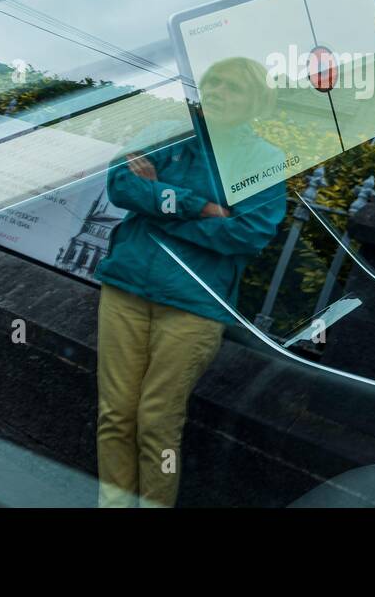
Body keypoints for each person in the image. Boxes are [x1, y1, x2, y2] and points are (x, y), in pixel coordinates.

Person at [94, 57, 286, 507]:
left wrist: (159, 206)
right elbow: (121, 184)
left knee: (159, 419)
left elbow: (248, 233)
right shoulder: (167, 129)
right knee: (116, 414)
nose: (218, 92)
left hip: (194, 304)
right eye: (213, 82)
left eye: (233, 88)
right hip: (127, 286)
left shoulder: (264, 159)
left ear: (256, 102)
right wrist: (199, 207)